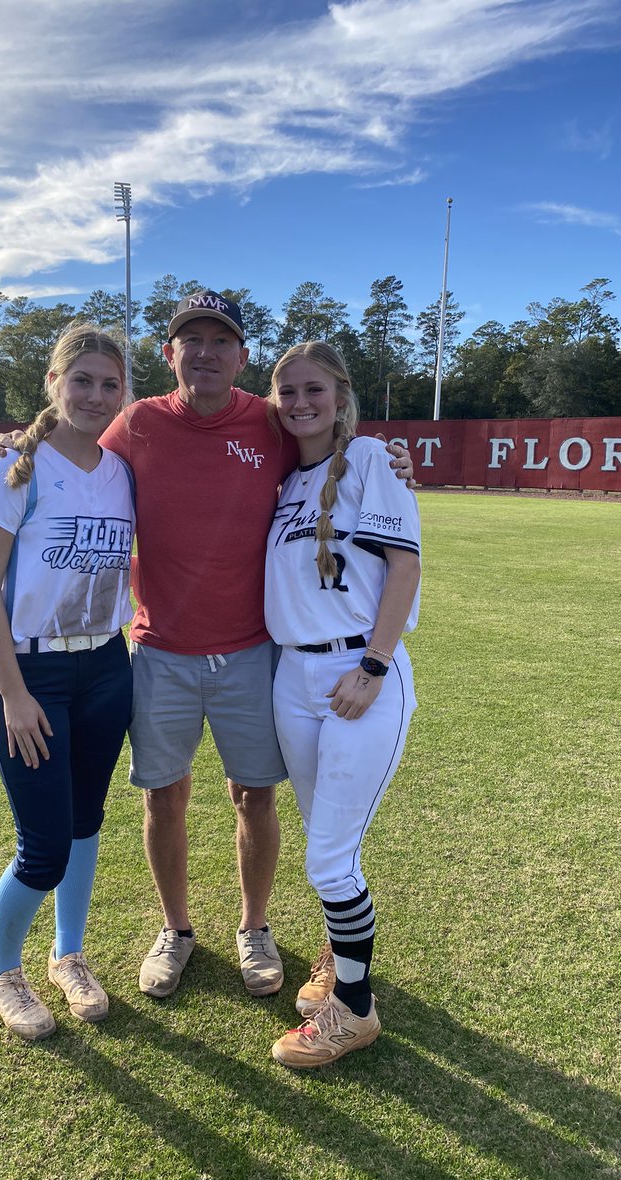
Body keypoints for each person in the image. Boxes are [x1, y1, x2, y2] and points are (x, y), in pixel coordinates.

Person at [0, 291, 415, 1002]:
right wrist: (8, 447)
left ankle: (255, 927)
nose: (205, 352)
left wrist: (385, 456)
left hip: (252, 653)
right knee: (164, 798)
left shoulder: (271, 421)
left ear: (242, 357)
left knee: (253, 796)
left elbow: (328, 441)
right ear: (168, 352)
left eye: (221, 340)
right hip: (159, 653)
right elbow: (66, 445)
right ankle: (176, 929)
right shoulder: (137, 422)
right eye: (191, 339)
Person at [0, 325, 134, 1040]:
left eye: (109, 384)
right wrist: (14, 692)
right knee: (44, 846)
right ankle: (3, 970)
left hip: (106, 665)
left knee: (86, 821)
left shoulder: (122, 469)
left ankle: (68, 956)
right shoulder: (16, 467)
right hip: (32, 672)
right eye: (82, 380)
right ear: (53, 383)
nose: (95, 395)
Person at [263, 341, 421, 1068]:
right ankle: (338, 951)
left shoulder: (367, 461)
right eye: (286, 390)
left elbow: (405, 566)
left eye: (313, 389)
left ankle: (353, 1011)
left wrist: (375, 665)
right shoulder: (284, 478)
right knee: (324, 840)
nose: (300, 402)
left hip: (359, 674)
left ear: (340, 394)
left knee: (329, 860)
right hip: (293, 677)